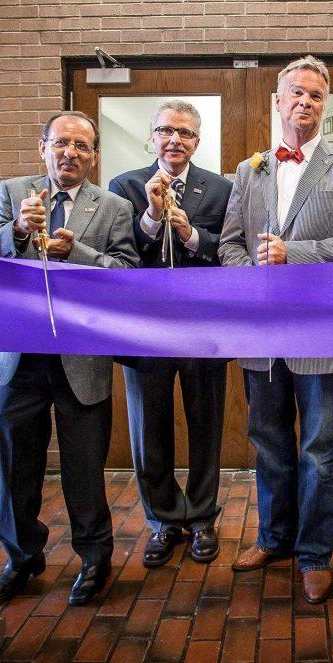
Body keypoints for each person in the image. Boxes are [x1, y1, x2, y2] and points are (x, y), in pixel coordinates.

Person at [218, 56, 333, 604]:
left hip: (324, 333)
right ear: (278, 102)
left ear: (324, 106)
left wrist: (293, 255)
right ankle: (273, 538)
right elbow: (228, 245)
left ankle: (314, 555)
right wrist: (255, 280)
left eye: (314, 95)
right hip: (261, 336)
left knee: (317, 450)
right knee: (268, 444)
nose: (304, 102)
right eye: (296, 93)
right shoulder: (249, 169)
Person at [0, 111, 139, 607]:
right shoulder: (12, 193)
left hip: (81, 359)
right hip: (19, 357)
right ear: (43, 146)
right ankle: (21, 559)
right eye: (61, 143)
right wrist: (17, 233)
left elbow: (127, 271)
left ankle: (95, 559)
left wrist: (81, 254)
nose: (70, 153)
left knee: (84, 468)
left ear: (94, 156)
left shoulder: (113, 206)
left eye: (82, 146)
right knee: (17, 467)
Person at [108, 100, 233, 567]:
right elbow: (118, 253)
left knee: (207, 427)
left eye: (185, 132)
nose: (175, 140)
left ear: (197, 140)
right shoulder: (124, 187)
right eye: (166, 130)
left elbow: (231, 251)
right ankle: (162, 519)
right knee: (149, 431)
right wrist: (151, 218)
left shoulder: (222, 189)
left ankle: (201, 516)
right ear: (153, 136)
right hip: (145, 331)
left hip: (204, 329)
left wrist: (190, 234)